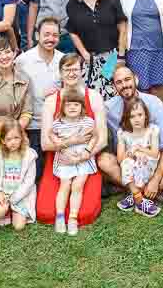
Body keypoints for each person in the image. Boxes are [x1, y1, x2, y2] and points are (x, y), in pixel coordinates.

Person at [97, 66, 163, 208]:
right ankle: (150, 193)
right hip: (126, 164)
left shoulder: (154, 103)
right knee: (103, 161)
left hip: (150, 165)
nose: (124, 85)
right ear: (114, 86)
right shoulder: (108, 108)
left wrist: (156, 179)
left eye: (127, 79)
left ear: (135, 79)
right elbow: (88, 110)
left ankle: (129, 190)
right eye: (119, 82)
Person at [37, 53, 107, 226]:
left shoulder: (94, 97)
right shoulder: (52, 101)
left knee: (86, 214)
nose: (71, 73)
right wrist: (72, 141)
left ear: (82, 70)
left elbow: (102, 138)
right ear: (60, 73)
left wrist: (85, 154)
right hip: (59, 158)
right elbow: (45, 144)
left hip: (87, 157)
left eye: (75, 68)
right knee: (46, 213)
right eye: (67, 69)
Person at [66, 0, 127, 99]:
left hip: (111, 57)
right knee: (90, 97)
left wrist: (121, 56)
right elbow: (72, 31)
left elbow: (122, 28)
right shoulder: (73, 4)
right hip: (88, 60)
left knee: (111, 94)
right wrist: (84, 54)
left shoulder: (112, 1)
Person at [15, 18, 63, 175]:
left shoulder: (63, 60)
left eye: (55, 35)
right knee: (35, 172)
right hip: (33, 125)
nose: (51, 39)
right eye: (46, 34)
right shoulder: (23, 61)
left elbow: (75, 90)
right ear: (37, 35)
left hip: (58, 125)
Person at [49, 87, 99, 234]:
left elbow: (95, 136)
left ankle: (72, 217)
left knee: (78, 185)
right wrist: (63, 150)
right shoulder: (58, 123)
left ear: (82, 107)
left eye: (76, 104)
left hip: (83, 158)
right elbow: (52, 137)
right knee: (65, 184)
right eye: (68, 104)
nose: (72, 107)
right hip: (66, 158)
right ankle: (59, 216)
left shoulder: (88, 121)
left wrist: (88, 151)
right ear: (63, 107)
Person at [0, 119, 38, 229]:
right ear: (3, 140)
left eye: (16, 138)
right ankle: (6, 211)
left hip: (20, 195)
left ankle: (14, 210)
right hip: (3, 193)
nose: (13, 142)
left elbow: (29, 181)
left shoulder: (29, 155)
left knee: (19, 226)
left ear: (22, 138)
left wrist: (14, 198)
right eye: (9, 139)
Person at [115, 99, 163, 216]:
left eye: (140, 115)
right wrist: (132, 153)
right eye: (132, 116)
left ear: (146, 116)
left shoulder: (152, 130)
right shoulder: (123, 133)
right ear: (127, 118)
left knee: (140, 159)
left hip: (148, 166)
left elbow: (155, 153)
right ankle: (139, 200)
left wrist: (138, 149)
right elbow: (120, 159)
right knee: (127, 163)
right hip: (132, 168)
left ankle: (134, 196)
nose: (136, 119)